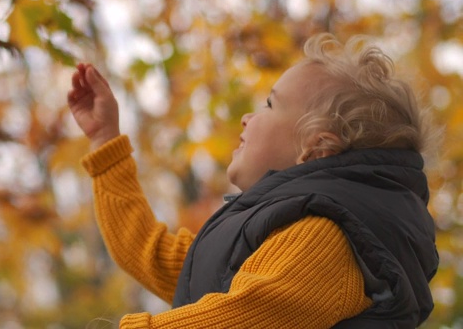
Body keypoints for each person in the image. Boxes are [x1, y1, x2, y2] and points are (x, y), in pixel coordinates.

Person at [67, 33, 439, 328]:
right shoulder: (268, 239)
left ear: (315, 147)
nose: (248, 116)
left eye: (269, 104)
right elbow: (148, 251)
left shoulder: (325, 239)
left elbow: (243, 317)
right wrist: (106, 142)